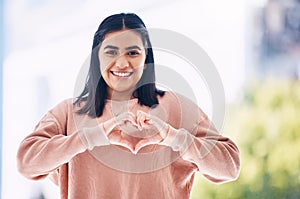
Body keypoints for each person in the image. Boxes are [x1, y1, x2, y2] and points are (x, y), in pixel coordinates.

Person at [17, 13, 240, 199]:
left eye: (133, 52)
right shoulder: (68, 113)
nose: (122, 63)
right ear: (97, 57)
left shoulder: (177, 108)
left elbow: (229, 167)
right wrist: (87, 138)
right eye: (111, 52)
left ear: (146, 57)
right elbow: (27, 163)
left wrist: (174, 137)